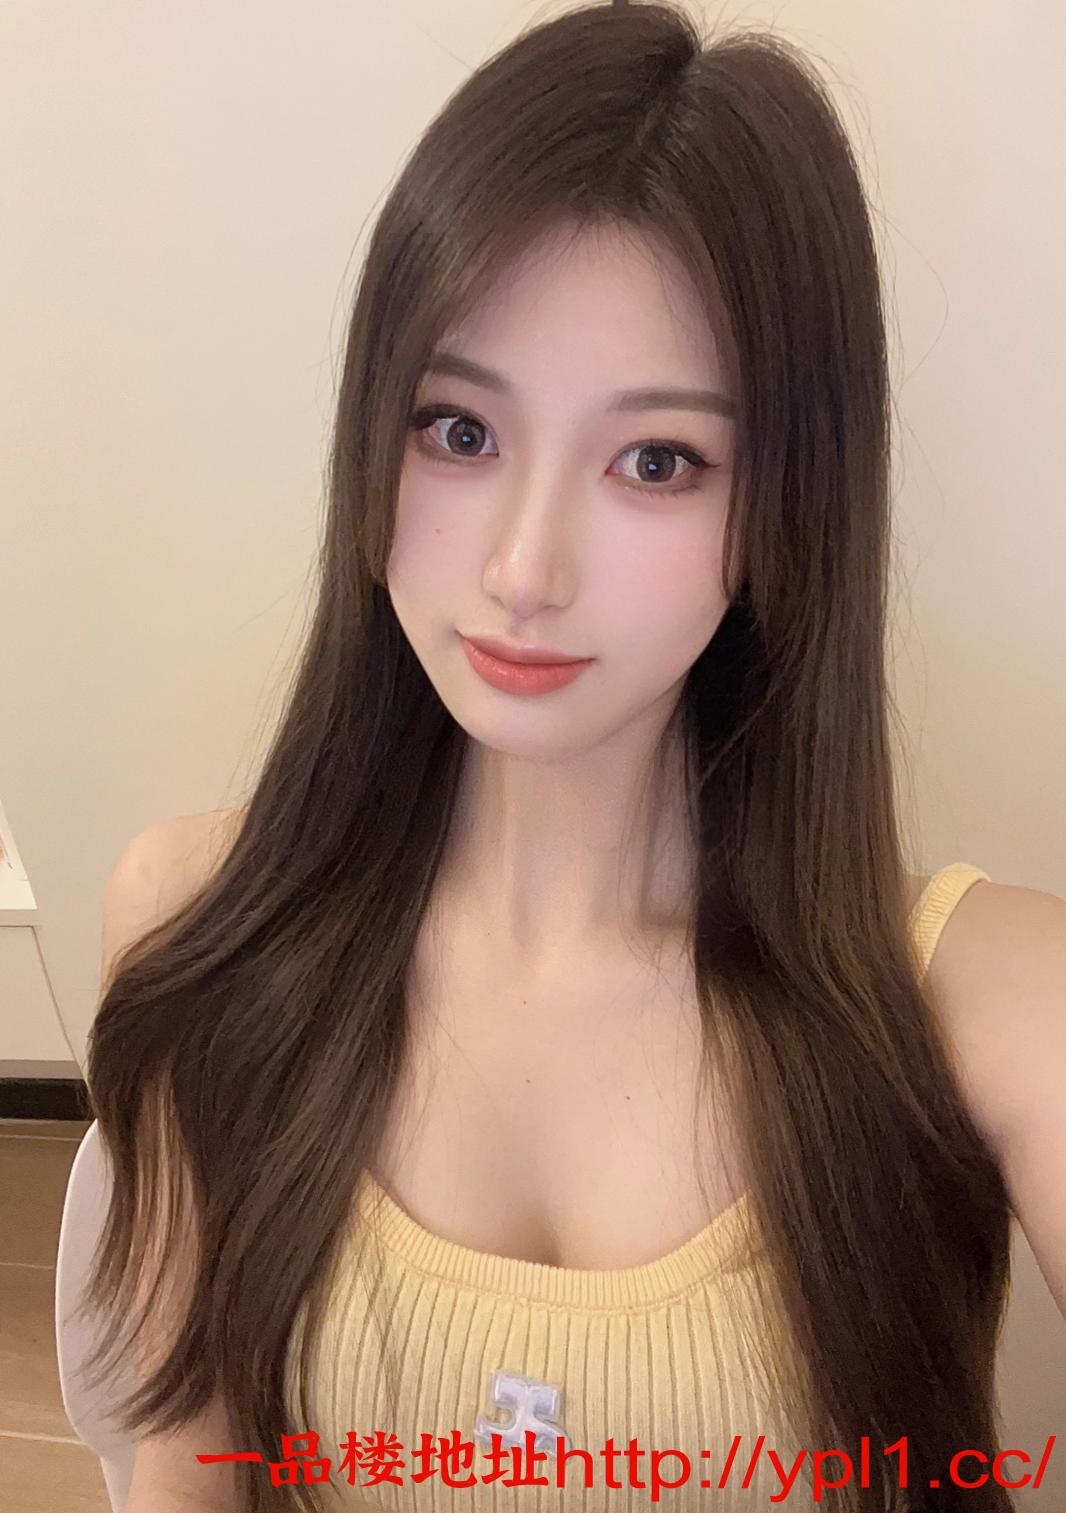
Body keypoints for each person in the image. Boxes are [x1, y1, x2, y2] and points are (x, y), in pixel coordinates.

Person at [83, 4, 1066, 1511]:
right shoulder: (206, 924)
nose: (523, 570)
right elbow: (185, 1472)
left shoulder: (984, 1007)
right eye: (458, 431)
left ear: (783, 505)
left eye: (655, 460)